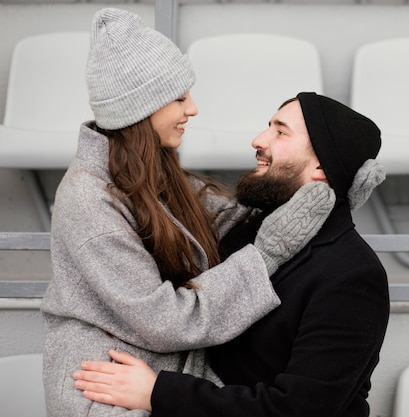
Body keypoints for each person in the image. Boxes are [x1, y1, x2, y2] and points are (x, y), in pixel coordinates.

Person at [41, 9, 335, 417]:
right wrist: (265, 255)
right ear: (141, 109)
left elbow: (233, 222)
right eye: (179, 98)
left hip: (156, 368)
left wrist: (338, 189)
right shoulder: (90, 202)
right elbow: (165, 321)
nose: (193, 108)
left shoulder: (151, 172)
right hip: (107, 387)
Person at [73, 92, 391, 417]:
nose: (258, 140)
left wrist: (158, 392)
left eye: (280, 132)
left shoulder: (353, 274)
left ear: (322, 165)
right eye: (268, 126)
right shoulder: (246, 233)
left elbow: (296, 409)